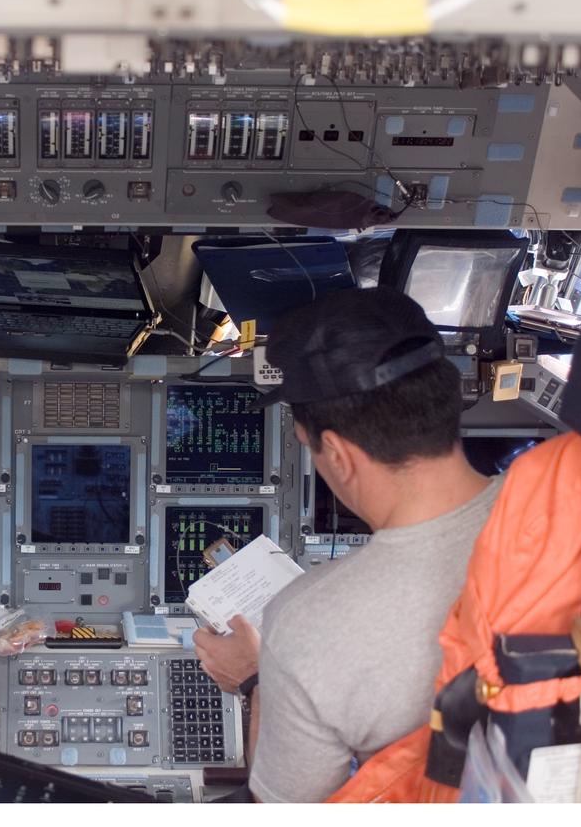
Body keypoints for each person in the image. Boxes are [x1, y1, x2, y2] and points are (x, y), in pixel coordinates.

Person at [193, 286, 501, 803]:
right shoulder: (570, 518)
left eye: (307, 444)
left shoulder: (311, 621)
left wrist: (255, 678)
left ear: (336, 452)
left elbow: (285, 808)